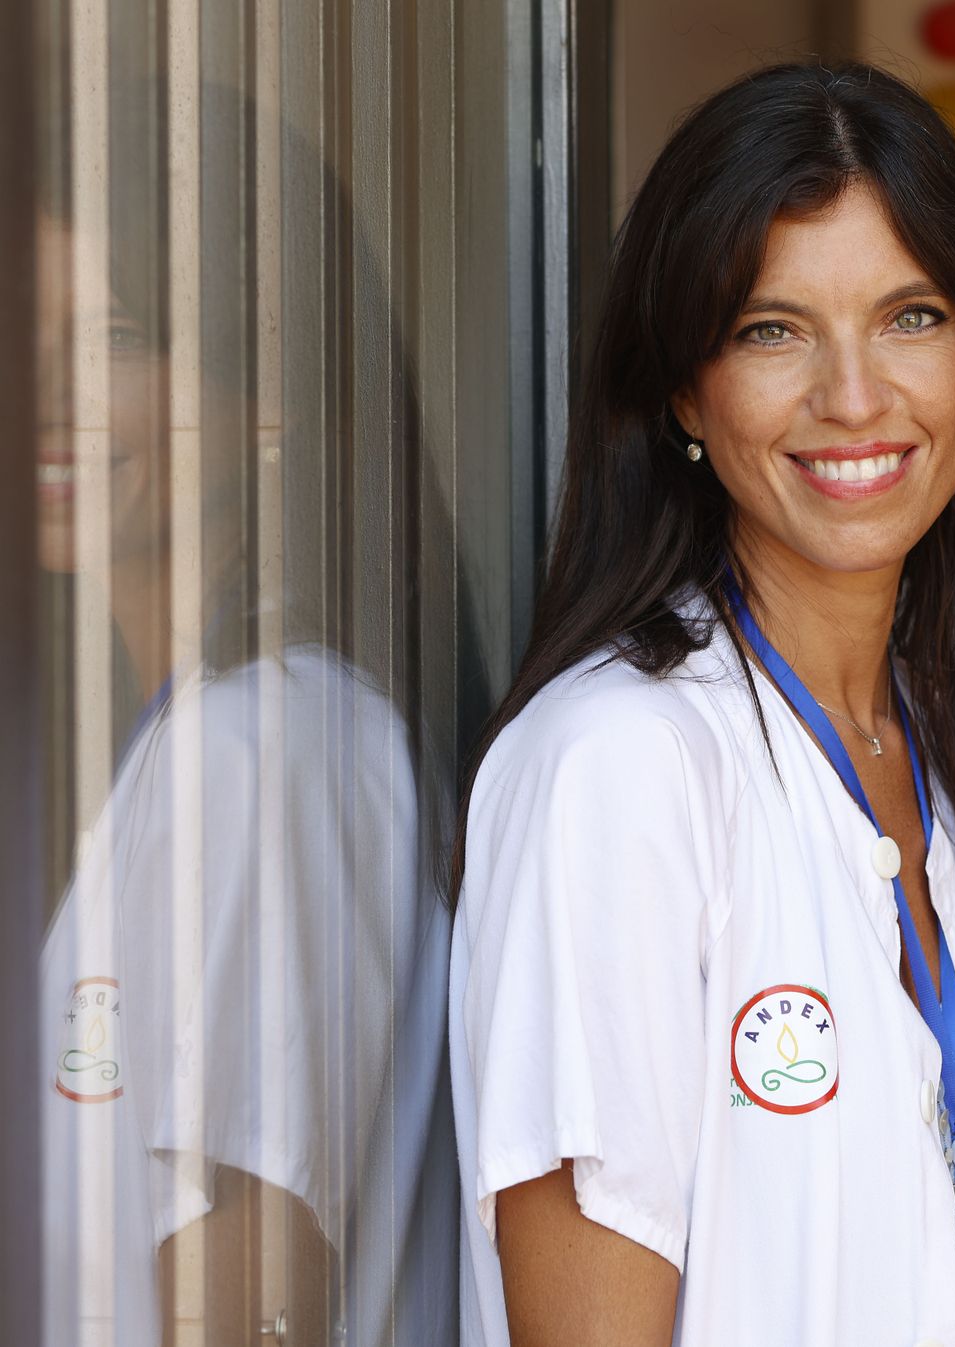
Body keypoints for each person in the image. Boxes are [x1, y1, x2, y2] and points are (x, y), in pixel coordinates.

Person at [449, 61, 955, 1346]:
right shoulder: (617, 763)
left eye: (910, 317)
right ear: (685, 390)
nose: (853, 397)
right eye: (770, 329)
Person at [36, 73, 465, 1346]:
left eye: (114, 336)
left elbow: (248, 1307)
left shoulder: (258, 756)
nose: (45, 390)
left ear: (265, 388)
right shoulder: (194, 737)